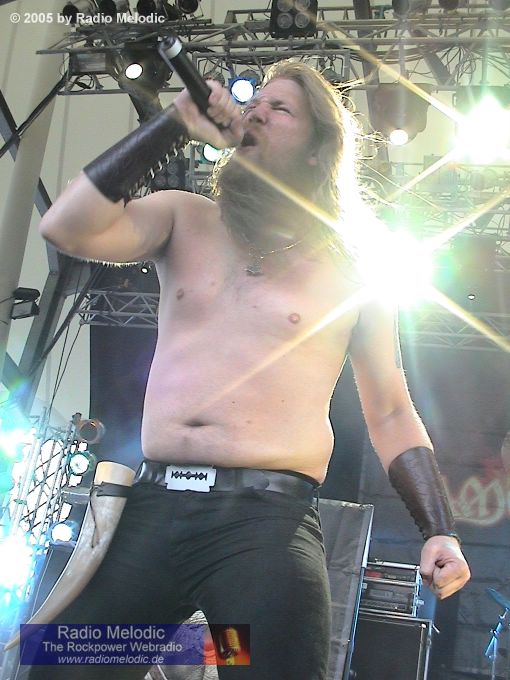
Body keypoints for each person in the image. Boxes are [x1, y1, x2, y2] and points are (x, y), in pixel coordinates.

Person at [29, 60, 470, 680]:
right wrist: (175, 123)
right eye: (255, 100)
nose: (255, 111)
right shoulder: (185, 217)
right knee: (64, 665)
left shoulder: (355, 265)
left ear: (318, 149)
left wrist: (438, 529)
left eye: (279, 108)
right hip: (151, 509)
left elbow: (392, 410)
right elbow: (64, 227)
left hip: (264, 522)